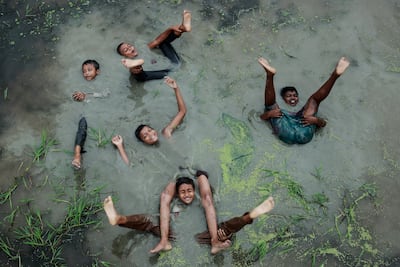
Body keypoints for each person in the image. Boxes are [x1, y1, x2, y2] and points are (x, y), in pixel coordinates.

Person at [103, 171, 275, 254]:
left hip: (203, 237)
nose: (187, 195)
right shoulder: (173, 192)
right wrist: (164, 239)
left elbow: (208, 203)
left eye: (190, 191)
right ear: (178, 194)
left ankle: (249, 216)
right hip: (172, 235)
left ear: (195, 190)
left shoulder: (203, 194)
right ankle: (119, 219)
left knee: (224, 229)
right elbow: (164, 202)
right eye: (183, 192)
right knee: (149, 221)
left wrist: (215, 238)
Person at [258, 56, 350, 144]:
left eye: (295, 95)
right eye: (289, 96)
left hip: (299, 130)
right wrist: (270, 114)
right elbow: (261, 118)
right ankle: (335, 75)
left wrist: (316, 120)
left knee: (271, 107)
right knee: (313, 100)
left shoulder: (300, 113)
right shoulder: (282, 112)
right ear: (282, 99)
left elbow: (260, 118)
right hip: (294, 132)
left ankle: (270, 75)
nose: (293, 98)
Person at [117, 10, 191, 82]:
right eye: (126, 50)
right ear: (125, 56)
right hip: (164, 72)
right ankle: (136, 66)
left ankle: (182, 28)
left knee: (161, 43)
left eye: (129, 46)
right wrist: (132, 69)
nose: (129, 48)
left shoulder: (142, 48)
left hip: (173, 65)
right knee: (139, 76)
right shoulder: (129, 61)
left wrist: (170, 29)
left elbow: (157, 41)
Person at [134, 76, 186, 145]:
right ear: (143, 142)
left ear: (154, 130)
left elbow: (182, 112)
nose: (150, 135)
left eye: (149, 130)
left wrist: (176, 89)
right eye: (145, 136)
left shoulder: (166, 132)